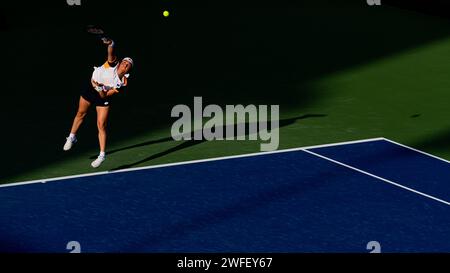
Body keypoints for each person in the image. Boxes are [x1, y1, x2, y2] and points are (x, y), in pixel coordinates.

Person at [63, 37, 133, 168]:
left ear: (129, 69)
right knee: (81, 113)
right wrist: (111, 43)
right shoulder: (113, 63)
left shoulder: (122, 83)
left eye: (128, 64)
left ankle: (102, 155)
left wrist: (99, 88)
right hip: (91, 88)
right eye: (124, 61)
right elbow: (110, 51)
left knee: (101, 125)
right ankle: (72, 137)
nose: (125, 64)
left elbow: (105, 95)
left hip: (103, 96)